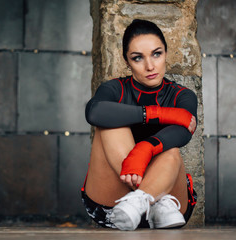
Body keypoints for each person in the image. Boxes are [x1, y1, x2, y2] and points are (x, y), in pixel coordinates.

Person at [81, 19, 198, 230]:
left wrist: (144, 149)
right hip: (115, 205)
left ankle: (145, 198)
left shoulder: (183, 96)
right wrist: (156, 113)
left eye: (156, 54)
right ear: (127, 61)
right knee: (110, 123)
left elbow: (184, 131)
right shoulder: (115, 89)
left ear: (166, 53)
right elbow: (94, 112)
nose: (150, 66)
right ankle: (146, 196)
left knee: (171, 152)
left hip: (168, 209)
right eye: (137, 58)